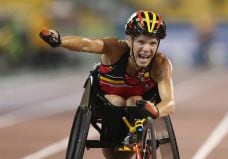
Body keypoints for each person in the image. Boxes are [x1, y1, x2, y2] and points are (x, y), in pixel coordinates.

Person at [39, 10, 174, 120]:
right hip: (108, 102)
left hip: (137, 108)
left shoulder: (160, 64)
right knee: (118, 102)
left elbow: (169, 102)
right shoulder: (114, 49)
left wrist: (155, 111)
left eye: (152, 43)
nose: (146, 49)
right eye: (141, 42)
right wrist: (60, 40)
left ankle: (134, 138)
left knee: (135, 101)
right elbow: (87, 44)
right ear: (129, 41)